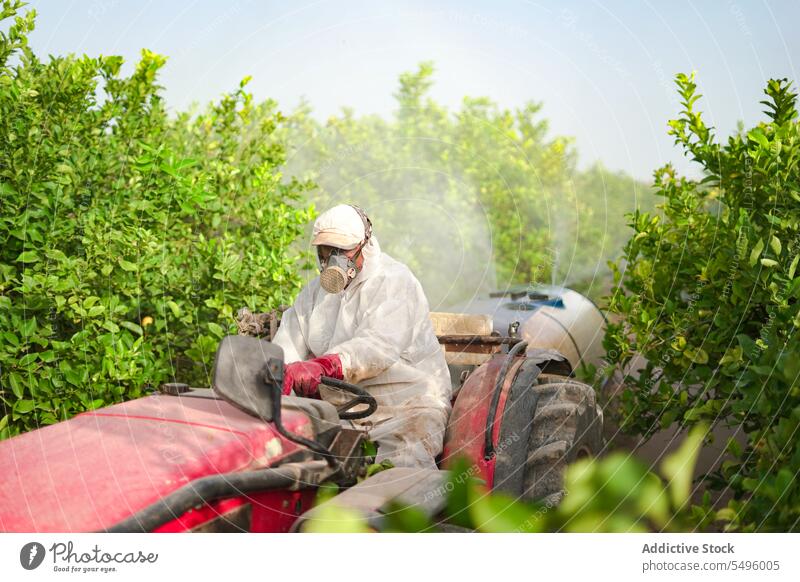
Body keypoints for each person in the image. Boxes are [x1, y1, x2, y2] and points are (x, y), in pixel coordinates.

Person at [272, 204, 451, 469]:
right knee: (289, 464)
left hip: (408, 406)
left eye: (341, 251)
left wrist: (325, 365)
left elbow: (379, 346)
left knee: (400, 473)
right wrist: (277, 373)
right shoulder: (312, 296)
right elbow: (286, 345)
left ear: (363, 245)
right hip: (340, 412)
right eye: (326, 251)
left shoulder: (395, 282)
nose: (332, 260)